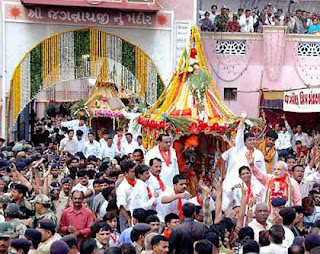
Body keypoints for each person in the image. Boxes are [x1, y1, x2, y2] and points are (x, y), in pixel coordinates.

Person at [222, 112, 266, 210]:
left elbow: (263, 171)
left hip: (253, 182)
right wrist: (242, 119)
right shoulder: (239, 150)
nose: (252, 142)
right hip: (235, 181)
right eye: (250, 140)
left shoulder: (259, 154)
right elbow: (240, 134)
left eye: (254, 139)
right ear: (244, 142)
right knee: (229, 204)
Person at [116, 161, 136, 232]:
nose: (135, 173)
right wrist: (128, 219)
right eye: (133, 171)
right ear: (126, 173)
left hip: (137, 213)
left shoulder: (138, 182)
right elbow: (121, 206)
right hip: (126, 214)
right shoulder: (122, 187)